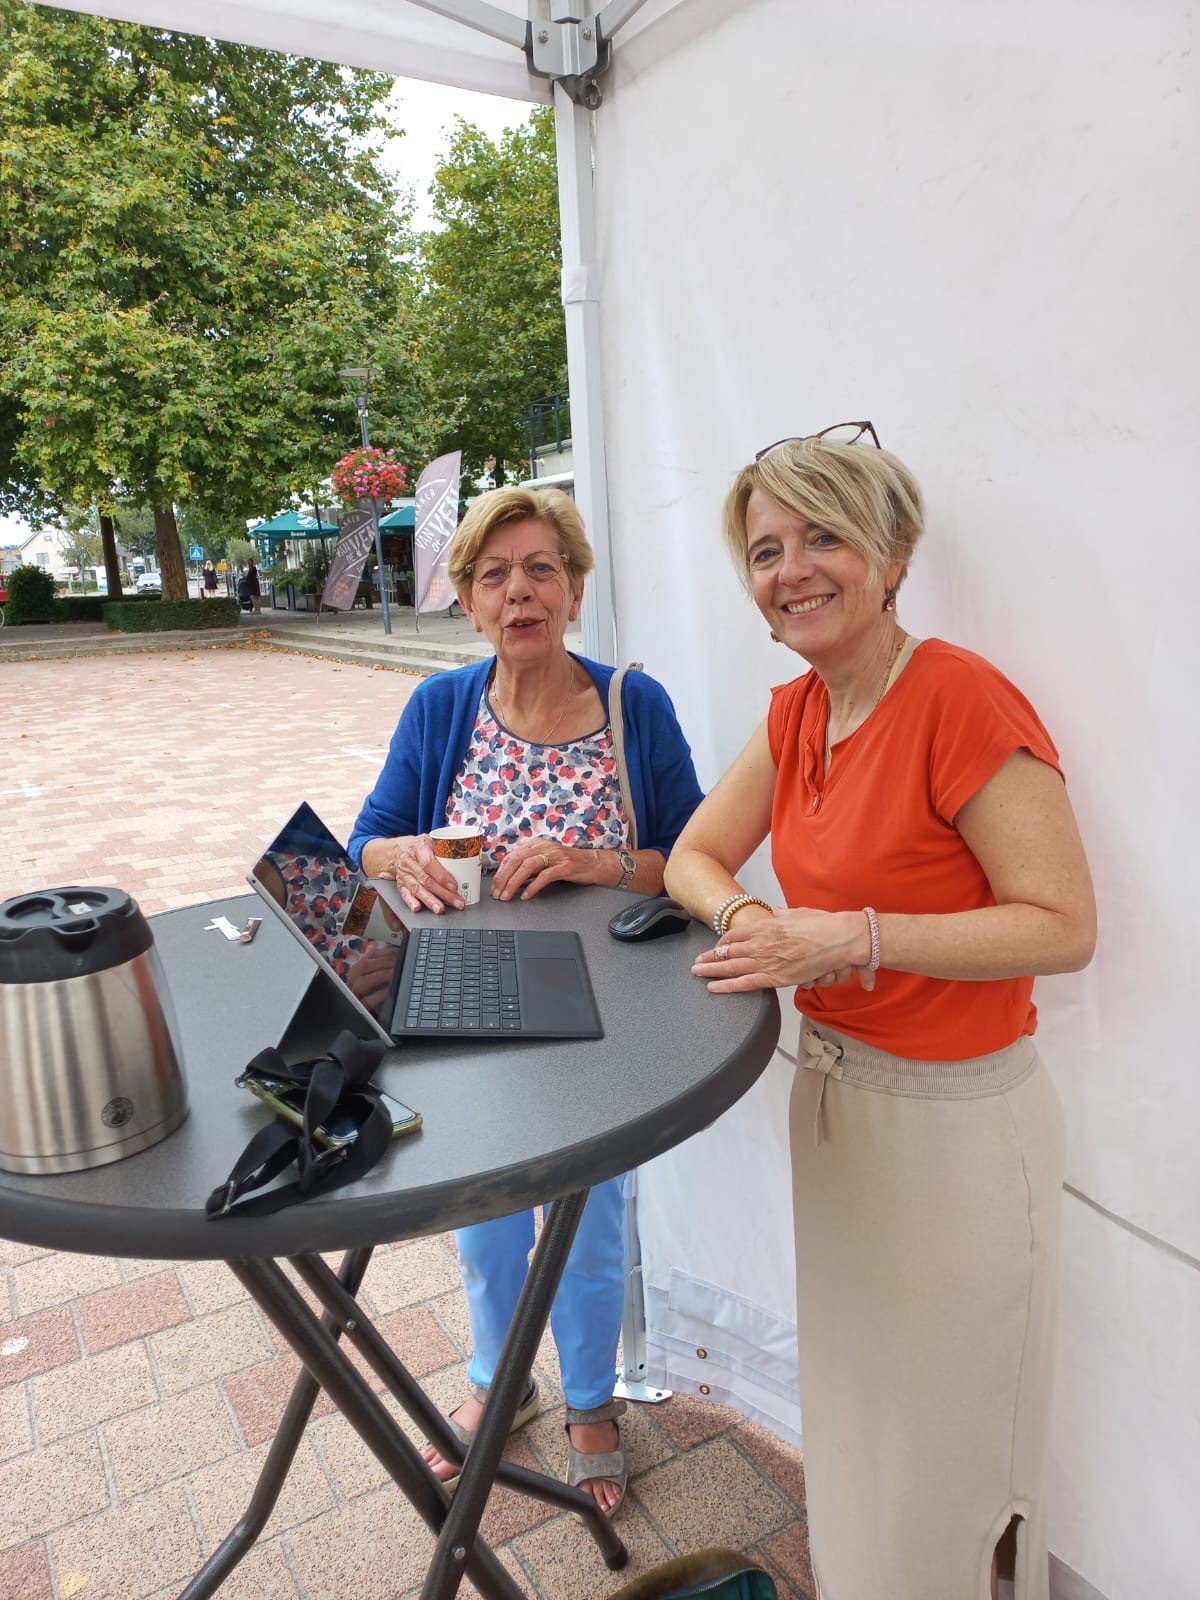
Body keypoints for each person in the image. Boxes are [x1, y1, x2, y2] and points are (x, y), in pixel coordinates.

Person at [663, 424, 1096, 1600]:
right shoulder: (800, 710)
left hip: (959, 1138)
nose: (790, 568)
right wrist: (749, 920)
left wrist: (851, 934)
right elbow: (693, 856)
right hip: (838, 1108)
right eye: (764, 549)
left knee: (949, 1471)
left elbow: (1062, 924)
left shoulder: (957, 696)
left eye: (823, 537)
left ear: (892, 553)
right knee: (863, 1438)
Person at [349, 484, 703, 1513]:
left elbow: (690, 858)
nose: (520, 591)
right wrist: (399, 850)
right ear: (467, 600)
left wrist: (596, 860)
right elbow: (365, 836)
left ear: (576, 588)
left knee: (588, 1212)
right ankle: (496, 1386)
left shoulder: (634, 704)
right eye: (494, 574)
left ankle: (593, 1402)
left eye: (541, 567)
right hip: (467, 995)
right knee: (484, 1211)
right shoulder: (441, 707)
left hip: (608, 1008)